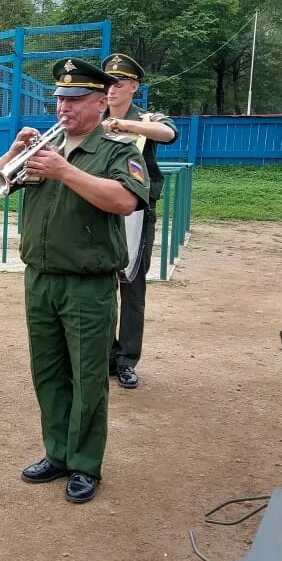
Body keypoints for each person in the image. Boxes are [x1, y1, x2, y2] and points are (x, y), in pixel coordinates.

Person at [0, 58, 149, 503]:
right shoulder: (46, 145)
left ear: (100, 103)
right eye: (60, 98)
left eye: (75, 99)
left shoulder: (117, 149)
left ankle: (84, 463)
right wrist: (13, 152)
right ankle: (57, 453)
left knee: (88, 377)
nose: (64, 107)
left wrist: (64, 170)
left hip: (87, 284)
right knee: (48, 372)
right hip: (40, 279)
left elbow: (124, 201)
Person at [100, 53, 178, 391]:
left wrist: (124, 125)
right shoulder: (93, 116)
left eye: (119, 83)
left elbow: (168, 133)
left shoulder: (146, 119)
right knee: (99, 286)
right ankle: (105, 356)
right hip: (98, 208)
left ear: (134, 87)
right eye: (107, 82)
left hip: (135, 213)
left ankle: (126, 360)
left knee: (131, 287)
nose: (111, 88)